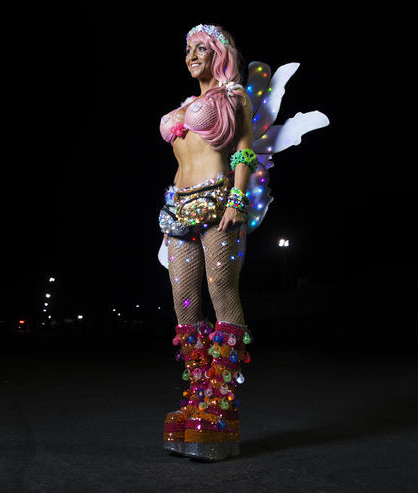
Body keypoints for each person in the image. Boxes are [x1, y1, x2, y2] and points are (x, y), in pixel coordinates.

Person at [158, 24, 256, 462]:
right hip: (177, 207)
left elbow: (243, 150)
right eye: (187, 50)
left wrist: (238, 198)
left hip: (219, 202)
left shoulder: (234, 96)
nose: (192, 55)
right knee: (184, 305)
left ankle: (221, 406)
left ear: (219, 53)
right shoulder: (185, 105)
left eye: (201, 48)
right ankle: (199, 395)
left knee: (222, 293)